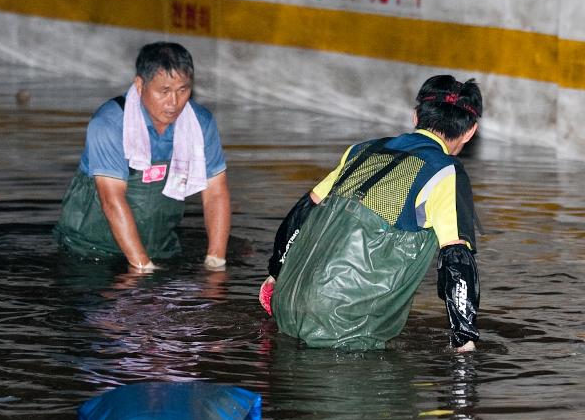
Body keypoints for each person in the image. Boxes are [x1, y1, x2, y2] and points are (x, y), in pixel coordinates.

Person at [260, 75, 483, 351]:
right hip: (343, 320)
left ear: (416, 117)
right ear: (470, 131)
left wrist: (275, 274)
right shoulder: (445, 170)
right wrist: (464, 337)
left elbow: (302, 211)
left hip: (287, 301)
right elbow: (456, 259)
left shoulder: (362, 150)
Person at [53, 42, 231, 272]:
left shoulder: (200, 123)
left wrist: (216, 263)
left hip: (160, 248)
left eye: (183, 90)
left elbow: (215, 193)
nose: (174, 103)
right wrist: (142, 267)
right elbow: (111, 199)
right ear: (140, 85)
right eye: (164, 91)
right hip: (89, 250)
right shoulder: (109, 123)